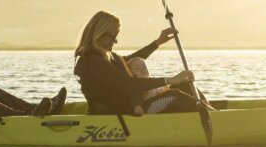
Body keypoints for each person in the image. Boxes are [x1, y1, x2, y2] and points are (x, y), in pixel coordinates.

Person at [73, 10, 212, 115]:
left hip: (134, 106)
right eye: (113, 37)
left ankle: (211, 113)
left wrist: (158, 42)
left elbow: (128, 60)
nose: (115, 42)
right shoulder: (91, 62)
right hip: (125, 113)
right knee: (177, 97)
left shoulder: (105, 57)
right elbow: (129, 84)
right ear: (100, 34)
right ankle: (212, 119)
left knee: (185, 85)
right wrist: (169, 80)